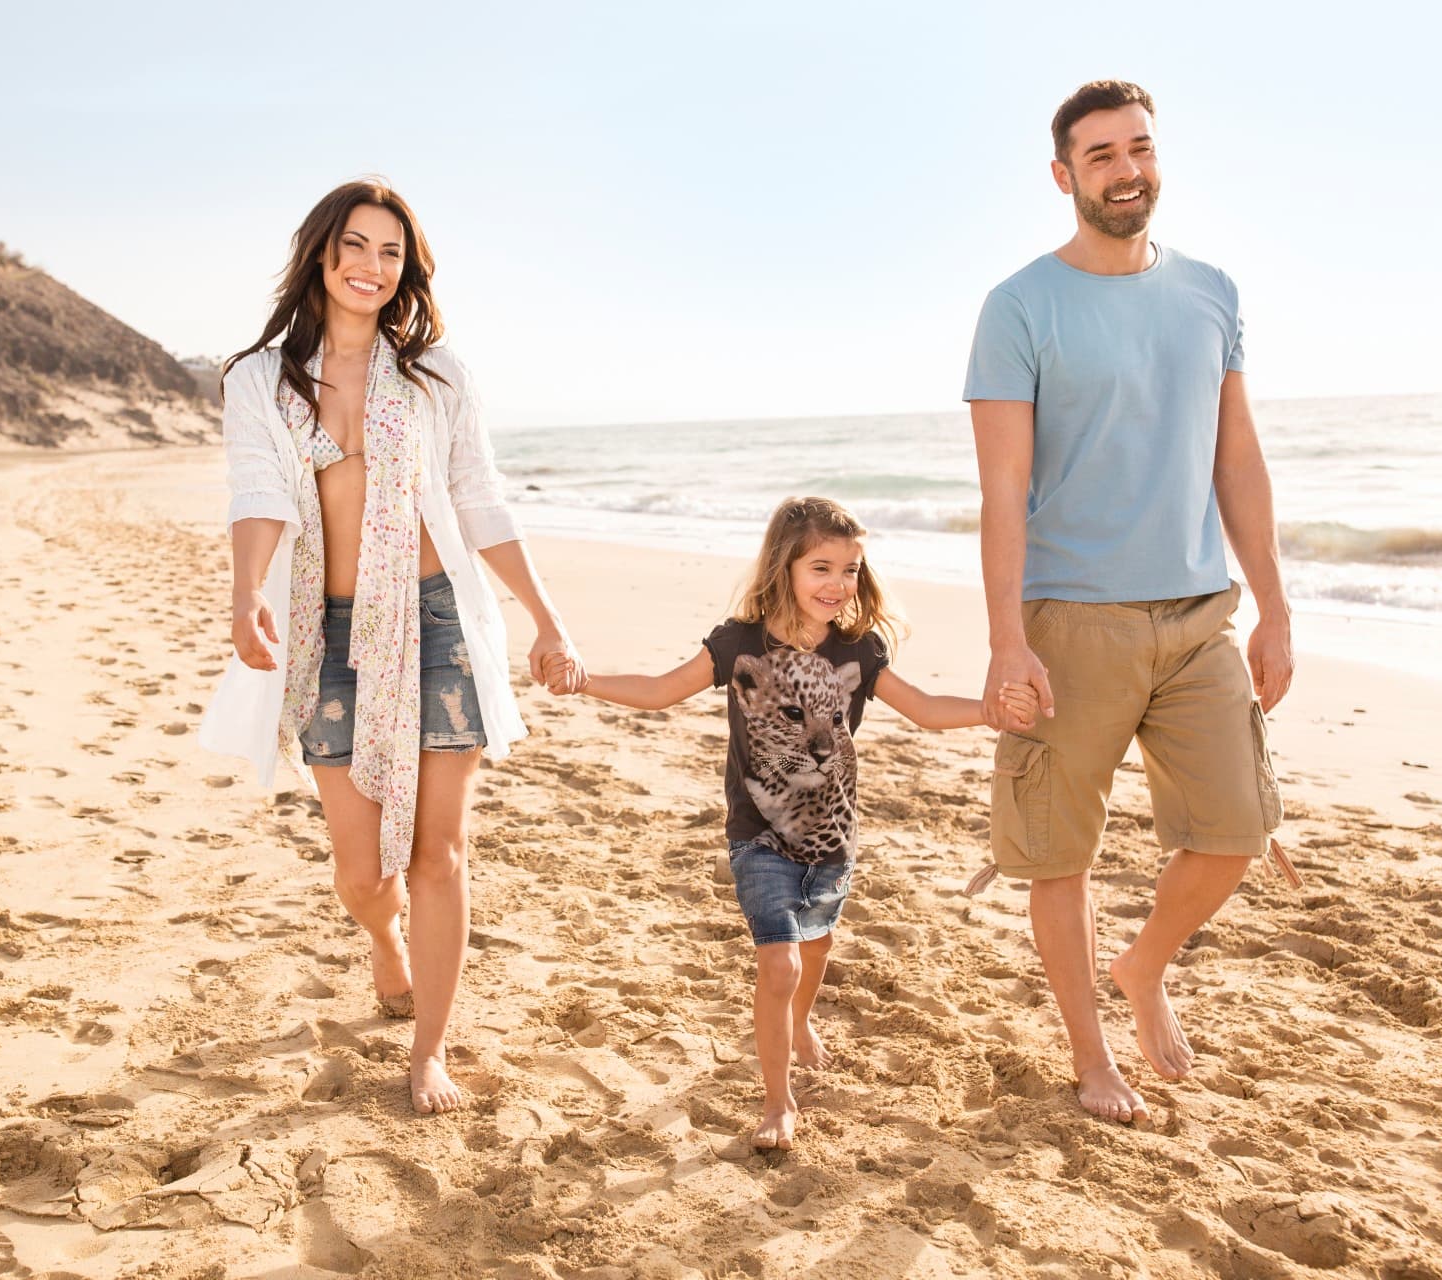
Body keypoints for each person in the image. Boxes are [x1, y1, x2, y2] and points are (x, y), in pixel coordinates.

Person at [198, 179, 584, 1116]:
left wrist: (545, 615)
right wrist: (247, 592)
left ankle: (431, 1053)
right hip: (326, 634)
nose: (373, 268)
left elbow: (479, 496)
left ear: (407, 269)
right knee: (364, 872)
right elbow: (257, 491)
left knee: (440, 855)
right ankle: (385, 941)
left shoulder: (435, 373)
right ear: (321, 255)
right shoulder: (260, 378)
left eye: (391, 253)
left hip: (439, 619)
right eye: (356, 247)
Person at [964, 80, 1295, 1124]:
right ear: (1064, 176)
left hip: (1200, 614)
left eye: (1138, 148)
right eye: (1100, 154)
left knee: (1238, 825)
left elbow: (1236, 457)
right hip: (1071, 620)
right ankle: (1092, 1058)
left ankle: (1142, 964)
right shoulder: (1020, 305)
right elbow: (1003, 487)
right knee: (1061, 853)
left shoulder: (1211, 292)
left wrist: (1276, 609)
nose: (1125, 169)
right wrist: (1007, 639)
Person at [555, 497, 1037, 1149]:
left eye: (851, 570)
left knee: (817, 948)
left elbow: (922, 709)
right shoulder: (739, 642)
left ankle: (802, 1021)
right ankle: (778, 1104)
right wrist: (586, 682)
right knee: (778, 964)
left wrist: (990, 713)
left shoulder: (859, 649)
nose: (839, 584)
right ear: (784, 568)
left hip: (831, 839)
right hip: (757, 835)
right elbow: (662, 689)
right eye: (822, 568)